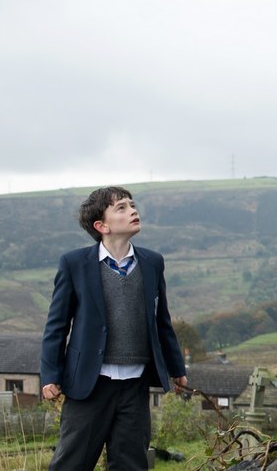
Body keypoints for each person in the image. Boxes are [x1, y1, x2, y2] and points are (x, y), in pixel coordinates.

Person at [39, 186, 188, 470]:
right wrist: (50, 375)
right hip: (89, 385)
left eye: (132, 205)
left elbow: (162, 321)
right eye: (121, 207)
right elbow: (56, 325)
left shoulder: (152, 262)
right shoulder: (74, 264)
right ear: (101, 225)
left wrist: (177, 368)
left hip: (135, 385)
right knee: (71, 464)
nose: (133, 210)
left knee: (131, 464)